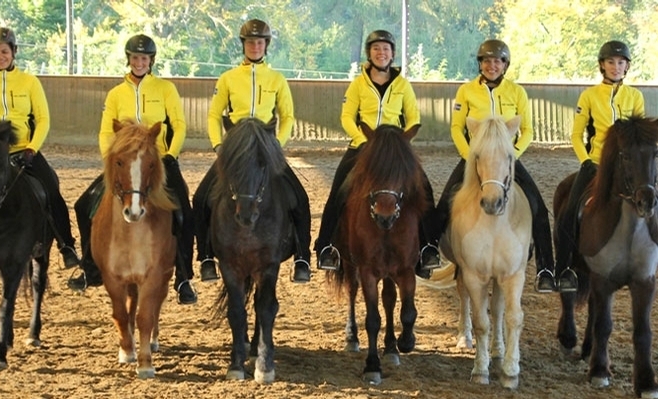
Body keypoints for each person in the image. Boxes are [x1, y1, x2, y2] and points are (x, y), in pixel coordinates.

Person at [66, 34, 198, 305]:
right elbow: (105, 131)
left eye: (144, 58)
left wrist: (171, 154)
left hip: (157, 162)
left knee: (184, 213)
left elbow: (180, 124)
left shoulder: (165, 89)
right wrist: (111, 160)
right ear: (129, 60)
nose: (140, 63)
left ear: (151, 61)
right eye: (135, 58)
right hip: (123, 164)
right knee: (83, 206)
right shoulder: (115, 94)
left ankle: (184, 276)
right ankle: (90, 267)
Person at [314, 29, 441, 279]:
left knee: (424, 190)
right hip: (363, 146)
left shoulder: (403, 85)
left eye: (385, 49)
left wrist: (402, 142)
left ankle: (428, 249)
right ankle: (325, 246)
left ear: (392, 54)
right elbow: (347, 117)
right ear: (369, 54)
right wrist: (365, 142)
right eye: (376, 49)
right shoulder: (358, 84)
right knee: (339, 190)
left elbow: (413, 117)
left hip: (395, 148)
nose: (381, 53)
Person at [193, 19, 312, 284]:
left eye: (259, 42)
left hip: (265, 148)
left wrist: (276, 147)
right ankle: (206, 258)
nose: (255, 46)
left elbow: (288, 116)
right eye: (250, 42)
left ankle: (302, 258)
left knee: (300, 198)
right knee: (201, 199)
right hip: (235, 148)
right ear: (243, 45)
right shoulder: (228, 79)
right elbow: (214, 115)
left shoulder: (276, 79)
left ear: (266, 45)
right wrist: (219, 146)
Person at [434, 39, 557, 292]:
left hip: (507, 160)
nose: (492, 65)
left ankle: (546, 268)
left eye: (497, 61)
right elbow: (457, 127)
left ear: (505, 65)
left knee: (538, 207)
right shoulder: (466, 91)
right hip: (474, 158)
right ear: (480, 64)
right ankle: (428, 252)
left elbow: (527, 130)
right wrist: (470, 155)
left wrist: (512, 154)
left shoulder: (517, 92)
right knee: (444, 203)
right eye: (487, 61)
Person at [0, 27, 80, 270]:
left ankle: (66, 245)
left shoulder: (30, 82)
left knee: (51, 189)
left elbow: (43, 120)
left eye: (5, 51)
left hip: (24, 152)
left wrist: (32, 148)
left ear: (14, 52)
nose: (0, 56)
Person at [554, 40, 644, 293]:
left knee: (650, 199)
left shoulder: (635, 96)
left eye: (621, 63)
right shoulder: (590, 95)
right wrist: (585, 161)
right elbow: (576, 134)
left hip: (627, 167)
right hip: (594, 164)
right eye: (611, 62)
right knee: (569, 212)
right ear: (602, 66)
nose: (616, 67)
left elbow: (636, 136)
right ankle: (564, 269)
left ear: (627, 67)